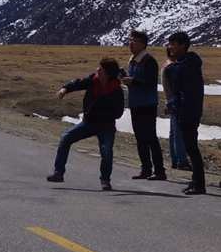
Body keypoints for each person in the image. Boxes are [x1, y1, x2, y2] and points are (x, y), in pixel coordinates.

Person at [47, 57, 126, 191]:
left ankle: (105, 180)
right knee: (66, 138)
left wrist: (103, 114)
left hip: (106, 126)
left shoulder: (116, 90)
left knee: (106, 151)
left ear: (107, 73)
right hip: (88, 123)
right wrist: (64, 89)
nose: (97, 70)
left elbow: (118, 113)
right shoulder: (92, 81)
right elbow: (77, 83)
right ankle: (58, 173)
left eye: (100, 69)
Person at [166, 30, 207, 195]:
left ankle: (199, 184)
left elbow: (186, 92)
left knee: (191, 148)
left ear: (183, 45)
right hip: (188, 110)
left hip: (187, 112)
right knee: (191, 147)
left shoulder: (186, 67)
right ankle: (196, 181)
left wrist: (175, 105)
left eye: (173, 44)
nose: (171, 47)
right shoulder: (185, 64)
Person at [123, 30, 166, 180]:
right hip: (135, 103)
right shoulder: (133, 60)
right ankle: (146, 168)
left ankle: (160, 170)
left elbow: (149, 82)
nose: (131, 43)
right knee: (140, 138)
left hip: (147, 104)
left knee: (150, 137)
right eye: (130, 40)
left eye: (134, 41)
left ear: (142, 44)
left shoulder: (149, 61)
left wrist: (133, 81)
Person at [163, 58, 188, 173]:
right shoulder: (172, 68)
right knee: (178, 132)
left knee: (174, 132)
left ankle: (175, 160)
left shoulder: (166, 66)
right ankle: (181, 161)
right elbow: (175, 88)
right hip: (176, 102)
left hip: (172, 101)